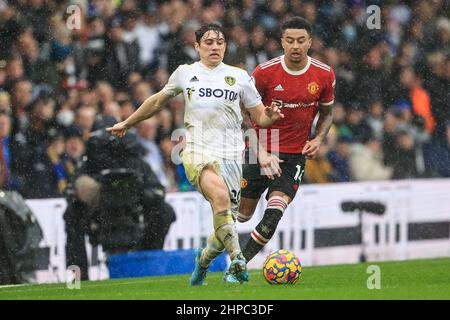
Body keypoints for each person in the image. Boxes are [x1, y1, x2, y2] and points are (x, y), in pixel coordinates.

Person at [107, 23, 284, 285]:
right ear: (197, 46)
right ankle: (238, 258)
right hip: (196, 150)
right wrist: (128, 122)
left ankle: (203, 261)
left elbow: (258, 115)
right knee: (221, 197)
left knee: (224, 221)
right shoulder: (185, 73)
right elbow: (157, 101)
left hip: (233, 156)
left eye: (220, 42)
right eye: (209, 42)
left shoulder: (240, 77)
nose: (215, 46)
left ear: (225, 46)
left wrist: (268, 117)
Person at [230, 17, 335, 281]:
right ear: (282, 42)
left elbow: (328, 113)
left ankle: (237, 266)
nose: (295, 46)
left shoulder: (324, 74)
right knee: (242, 216)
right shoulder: (264, 73)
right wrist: (261, 153)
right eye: (290, 40)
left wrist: (319, 137)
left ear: (310, 42)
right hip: (261, 148)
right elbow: (242, 115)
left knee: (275, 212)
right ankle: (211, 252)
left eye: (301, 40)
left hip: (294, 155)